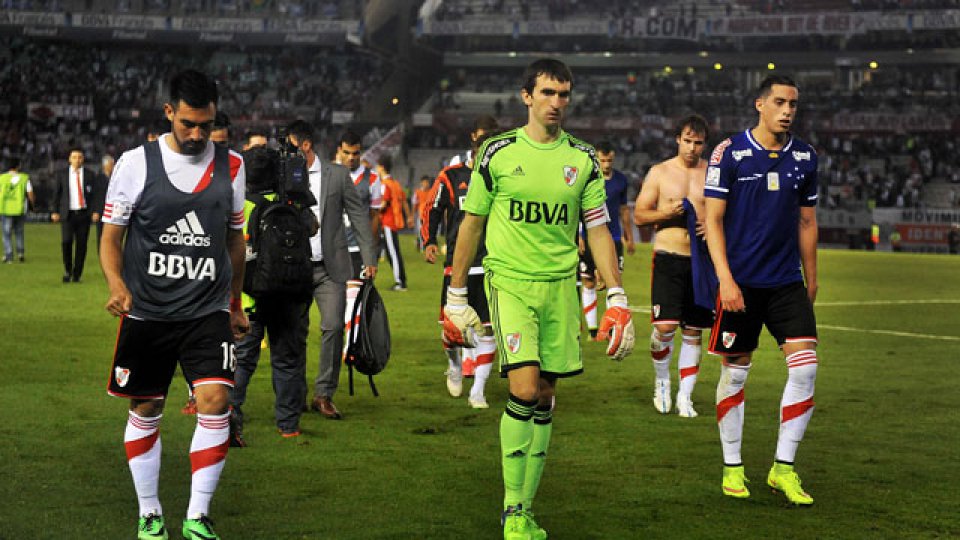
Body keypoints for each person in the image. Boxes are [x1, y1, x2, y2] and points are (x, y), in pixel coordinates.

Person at [444, 58, 635, 540]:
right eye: (548, 93)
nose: (557, 103)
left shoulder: (584, 159)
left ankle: (526, 509)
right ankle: (511, 510)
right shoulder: (497, 152)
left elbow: (597, 228)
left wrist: (616, 295)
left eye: (564, 94)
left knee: (546, 396)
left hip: (560, 290)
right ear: (526, 96)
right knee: (524, 389)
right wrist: (455, 293)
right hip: (509, 283)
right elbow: (472, 223)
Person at [100, 69, 249, 540]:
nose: (197, 134)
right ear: (169, 113)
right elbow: (110, 237)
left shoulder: (232, 166)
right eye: (188, 123)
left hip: (207, 311)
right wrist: (115, 283)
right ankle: (150, 512)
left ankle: (197, 515)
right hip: (147, 310)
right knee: (147, 407)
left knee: (216, 399)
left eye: (205, 125)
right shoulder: (135, 162)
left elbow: (235, 241)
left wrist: (236, 304)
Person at [704, 75, 820, 506]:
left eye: (793, 103)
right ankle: (733, 466)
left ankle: (782, 467)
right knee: (735, 372)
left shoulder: (806, 156)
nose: (788, 110)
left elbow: (807, 222)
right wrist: (726, 279)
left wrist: (813, 276)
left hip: (787, 282)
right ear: (760, 105)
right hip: (741, 284)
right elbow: (712, 220)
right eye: (779, 102)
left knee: (805, 368)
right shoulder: (729, 153)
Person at [288, 121, 379, 421]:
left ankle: (323, 394)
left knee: (332, 328)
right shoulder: (286, 175)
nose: (285, 152)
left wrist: (369, 257)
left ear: (305, 145)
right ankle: (296, 394)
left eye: (289, 146)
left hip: (331, 268)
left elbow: (359, 215)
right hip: (295, 268)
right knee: (294, 332)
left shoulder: (337, 176)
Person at [229, 144, 318, 444]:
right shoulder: (291, 205)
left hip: (250, 300)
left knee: (242, 361)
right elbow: (313, 227)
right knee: (287, 361)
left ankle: (229, 417)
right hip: (288, 297)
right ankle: (288, 424)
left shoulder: (241, 206)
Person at [633, 115, 714, 417]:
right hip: (668, 256)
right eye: (687, 141)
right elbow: (640, 215)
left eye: (698, 142)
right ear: (677, 139)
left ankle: (686, 397)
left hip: (701, 261)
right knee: (665, 327)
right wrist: (665, 212)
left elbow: (727, 214)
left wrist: (712, 225)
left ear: (705, 144)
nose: (692, 148)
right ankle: (662, 381)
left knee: (694, 331)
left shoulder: (714, 174)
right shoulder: (660, 172)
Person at [423, 125, 498, 409]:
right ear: (474, 152)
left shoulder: (501, 180)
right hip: (457, 264)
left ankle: (478, 391)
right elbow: (432, 207)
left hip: (492, 265)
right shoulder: (452, 176)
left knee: (488, 331)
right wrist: (429, 239)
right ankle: (454, 366)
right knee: (450, 330)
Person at [578, 140, 635, 339]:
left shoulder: (620, 180)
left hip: (614, 237)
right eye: (602, 160)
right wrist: (578, 234)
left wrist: (629, 237)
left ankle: (612, 328)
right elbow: (577, 208)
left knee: (614, 281)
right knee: (588, 282)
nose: (606, 164)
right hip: (588, 236)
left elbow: (623, 210)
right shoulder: (587, 179)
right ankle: (593, 331)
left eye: (609, 160)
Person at [51, 147, 100, 283]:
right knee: (66, 242)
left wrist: (96, 211)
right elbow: (57, 194)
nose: (77, 160)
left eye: (79, 157)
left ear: (83, 159)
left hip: (84, 215)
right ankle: (67, 270)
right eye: (74, 157)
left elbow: (95, 195)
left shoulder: (90, 174)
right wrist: (54, 211)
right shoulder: (62, 174)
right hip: (68, 214)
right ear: (69, 159)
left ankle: (77, 274)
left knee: (82, 245)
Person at [377, 154, 410, 291]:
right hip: (395, 222)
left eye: (378, 167)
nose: (377, 169)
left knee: (393, 253)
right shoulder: (395, 183)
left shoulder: (385, 185)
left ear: (382, 167)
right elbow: (403, 201)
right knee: (394, 252)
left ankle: (400, 282)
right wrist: (409, 217)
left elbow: (383, 204)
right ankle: (401, 280)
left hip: (388, 222)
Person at [0, 157, 35, 263]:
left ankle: (9, 255)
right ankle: (20, 253)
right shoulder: (24, 178)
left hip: (5, 208)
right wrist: (32, 205)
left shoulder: (2, 178)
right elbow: (30, 193)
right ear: (18, 166)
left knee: (6, 233)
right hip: (20, 209)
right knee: (19, 232)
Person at [94, 154, 115, 252]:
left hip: (113, 210)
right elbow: (96, 196)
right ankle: (101, 251)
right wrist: (95, 211)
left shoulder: (115, 178)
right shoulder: (98, 179)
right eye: (111, 164)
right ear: (105, 165)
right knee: (101, 232)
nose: (113, 166)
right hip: (101, 210)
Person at [411, 175, 432, 250]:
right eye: (425, 182)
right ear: (421, 183)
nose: (426, 184)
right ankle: (421, 247)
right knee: (421, 232)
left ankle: (426, 245)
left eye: (427, 182)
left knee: (429, 232)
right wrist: (412, 216)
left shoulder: (432, 192)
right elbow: (414, 205)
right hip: (421, 215)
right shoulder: (417, 192)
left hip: (430, 215)